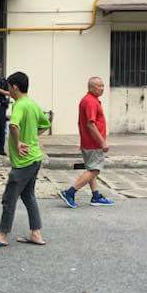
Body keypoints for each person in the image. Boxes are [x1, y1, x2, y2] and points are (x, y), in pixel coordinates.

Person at [0, 71, 50, 248]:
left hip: (24, 161)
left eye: (9, 87)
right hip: (35, 158)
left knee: (9, 198)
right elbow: (46, 123)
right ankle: (36, 233)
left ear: (15, 87)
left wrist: (19, 142)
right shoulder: (33, 104)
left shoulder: (19, 105)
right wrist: (31, 137)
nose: (8, 91)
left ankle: (2, 235)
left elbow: (13, 125)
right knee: (28, 196)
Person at [59, 77, 114, 208]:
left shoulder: (90, 100)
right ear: (91, 87)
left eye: (103, 86)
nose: (102, 88)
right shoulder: (90, 102)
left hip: (89, 142)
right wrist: (102, 142)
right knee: (94, 170)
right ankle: (69, 192)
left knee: (91, 168)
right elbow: (90, 124)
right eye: (99, 86)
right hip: (94, 143)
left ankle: (95, 196)